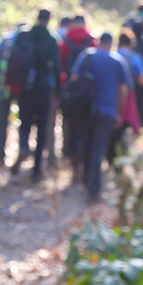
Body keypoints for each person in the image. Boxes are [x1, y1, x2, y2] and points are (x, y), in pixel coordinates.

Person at [70, 31, 130, 202]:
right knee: (98, 150)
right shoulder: (118, 61)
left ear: (98, 42)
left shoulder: (86, 56)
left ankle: (87, 183)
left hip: (86, 111)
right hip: (107, 111)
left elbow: (74, 78)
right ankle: (93, 189)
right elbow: (123, 89)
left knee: (86, 146)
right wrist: (120, 113)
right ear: (111, 43)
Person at [15, 9, 62, 182]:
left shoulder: (24, 35)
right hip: (43, 88)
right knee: (42, 128)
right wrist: (57, 91)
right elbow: (56, 67)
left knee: (25, 122)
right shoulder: (52, 39)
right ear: (49, 19)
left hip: (25, 86)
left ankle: (23, 146)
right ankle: (36, 170)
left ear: (36, 18)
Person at [58, 16, 95, 180]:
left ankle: (72, 164)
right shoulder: (93, 40)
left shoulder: (66, 41)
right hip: (89, 95)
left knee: (70, 129)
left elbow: (60, 65)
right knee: (86, 130)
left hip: (70, 94)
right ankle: (85, 163)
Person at [0, 23, 26, 167]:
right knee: (23, 120)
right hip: (22, 88)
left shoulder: (5, 40)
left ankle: (1, 154)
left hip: (3, 86)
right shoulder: (27, 41)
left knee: (3, 119)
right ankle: (22, 149)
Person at [108, 31, 143, 163]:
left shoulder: (112, 56)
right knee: (123, 127)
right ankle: (119, 157)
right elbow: (141, 79)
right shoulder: (135, 58)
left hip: (111, 96)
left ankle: (111, 154)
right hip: (128, 97)